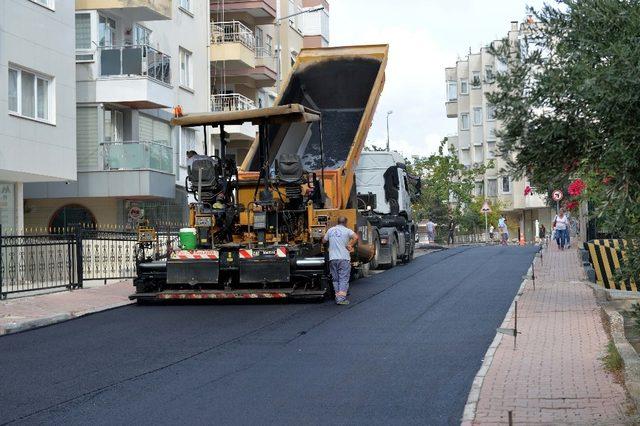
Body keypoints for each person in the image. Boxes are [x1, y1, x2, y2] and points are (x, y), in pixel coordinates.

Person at [322, 216, 359, 305]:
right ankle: (341, 299)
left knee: (335, 279)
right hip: (344, 258)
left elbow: (323, 240)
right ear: (345, 223)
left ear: (337, 222)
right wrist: (350, 245)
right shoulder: (347, 230)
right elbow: (356, 237)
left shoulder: (330, 230)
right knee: (343, 279)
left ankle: (337, 296)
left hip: (332, 259)